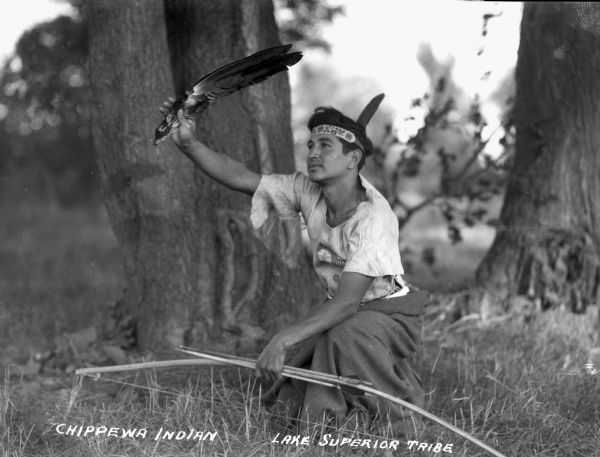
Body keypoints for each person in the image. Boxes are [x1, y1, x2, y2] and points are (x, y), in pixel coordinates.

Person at [160, 94, 429, 435]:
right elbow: (243, 177)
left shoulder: (374, 217)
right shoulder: (308, 192)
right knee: (297, 372)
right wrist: (189, 144)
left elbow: (348, 302)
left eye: (326, 146)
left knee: (340, 337)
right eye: (311, 144)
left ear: (353, 158)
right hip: (348, 314)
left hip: (390, 315)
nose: (313, 152)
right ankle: (343, 408)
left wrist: (283, 338)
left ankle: (398, 415)